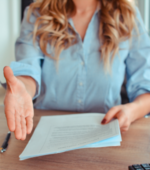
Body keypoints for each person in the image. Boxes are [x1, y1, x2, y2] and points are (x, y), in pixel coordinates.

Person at [2, 0, 150, 141]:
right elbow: (29, 71)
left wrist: (131, 111)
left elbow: (145, 86)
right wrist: (23, 88)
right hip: (46, 136)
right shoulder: (36, 14)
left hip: (106, 136)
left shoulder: (128, 16)